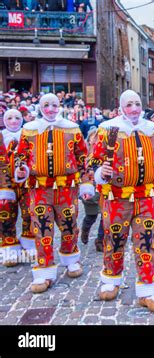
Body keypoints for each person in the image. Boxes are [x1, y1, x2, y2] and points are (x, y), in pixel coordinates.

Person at [89, 90, 154, 312]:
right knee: (114, 239)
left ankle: (148, 289)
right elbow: (93, 159)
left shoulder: (153, 131)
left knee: (147, 240)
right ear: (121, 107)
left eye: (137, 103)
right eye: (129, 104)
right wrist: (99, 171)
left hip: (145, 197)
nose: (134, 108)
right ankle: (111, 278)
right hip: (116, 197)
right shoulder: (107, 130)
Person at [15, 93, 94, 293]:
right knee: (42, 228)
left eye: (54, 105)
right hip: (40, 189)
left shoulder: (72, 129)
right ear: (40, 107)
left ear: (59, 106)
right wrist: (21, 169)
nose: (50, 109)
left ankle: (70, 258)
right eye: (46, 105)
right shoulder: (29, 130)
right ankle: (44, 268)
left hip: (67, 188)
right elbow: (20, 156)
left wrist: (86, 183)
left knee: (69, 225)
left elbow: (82, 157)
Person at [0, 109, 36, 266]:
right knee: (5, 214)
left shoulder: (28, 134)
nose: (14, 121)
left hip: (26, 181)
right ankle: (9, 246)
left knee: (30, 212)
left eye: (17, 118)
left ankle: (29, 244)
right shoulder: (1, 136)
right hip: (5, 182)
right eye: (10, 118)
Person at [79, 129, 104, 252]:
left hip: (104, 188)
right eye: (96, 138)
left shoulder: (104, 153)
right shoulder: (85, 154)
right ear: (90, 140)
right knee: (91, 215)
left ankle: (100, 240)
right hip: (91, 188)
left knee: (105, 215)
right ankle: (85, 230)